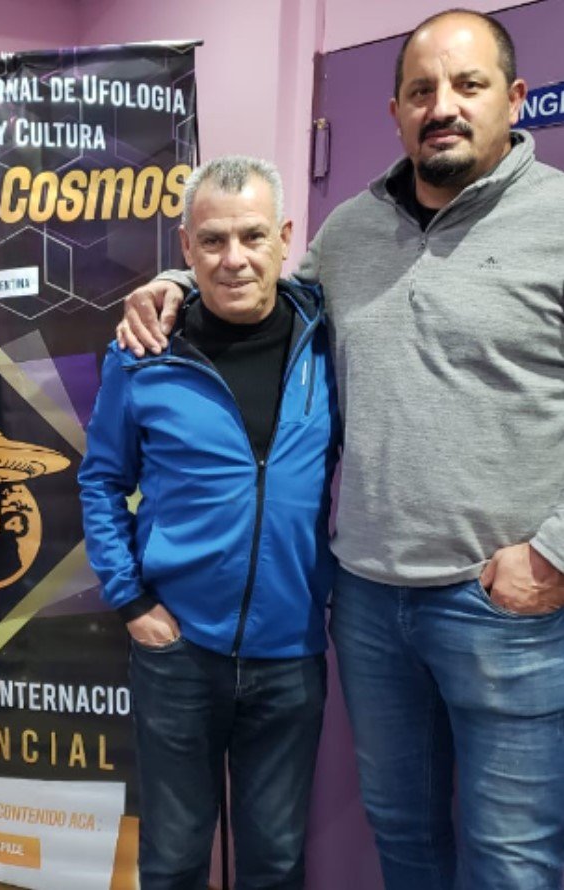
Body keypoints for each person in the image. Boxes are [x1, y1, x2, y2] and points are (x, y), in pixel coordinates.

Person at [117, 10, 564, 890]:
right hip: (365, 602)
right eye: (420, 91)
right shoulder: (352, 230)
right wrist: (173, 282)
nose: (442, 106)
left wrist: (554, 551)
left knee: (511, 861)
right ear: (395, 112)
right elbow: (257, 292)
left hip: (504, 610)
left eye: (467, 85)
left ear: (513, 99)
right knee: (402, 836)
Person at [80, 156, 337, 890]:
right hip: (179, 653)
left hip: (290, 653)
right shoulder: (142, 353)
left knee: (276, 862)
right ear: (186, 247)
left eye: (252, 236)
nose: (234, 259)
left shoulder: (329, 342)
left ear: (284, 237)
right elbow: (101, 480)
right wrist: (130, 601)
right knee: (172, 861)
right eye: (213, 241)